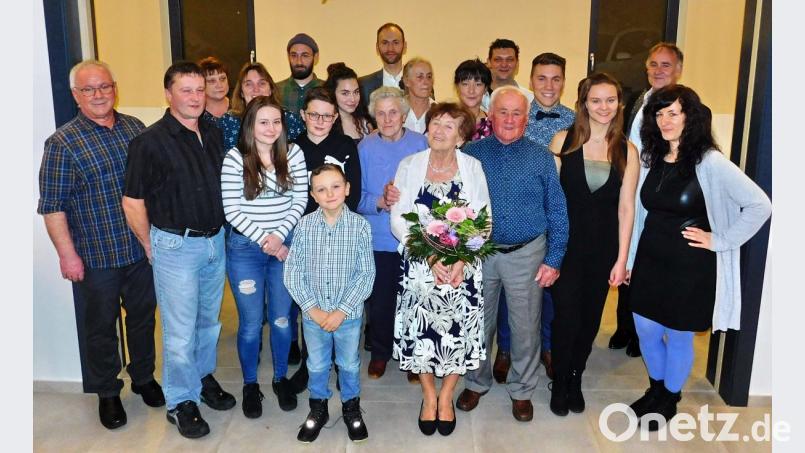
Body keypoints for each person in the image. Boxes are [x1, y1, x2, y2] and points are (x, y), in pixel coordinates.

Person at [625, 85, 771, 430]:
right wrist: (630, 258)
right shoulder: (652, 157)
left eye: (673, 113)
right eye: (659, 114)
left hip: (689, 265)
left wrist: (720, 240)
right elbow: (641, 215)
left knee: (678, 334)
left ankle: (669, 397)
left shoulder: (710, 161)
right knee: (645, 329)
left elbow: (760, 205)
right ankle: (656, 388)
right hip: (650, 256)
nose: (664, 120)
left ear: (690, 116)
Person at [37, 60, 164, 430]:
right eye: (89, 89)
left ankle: (143, 377)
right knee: (101, 327)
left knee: (142, 319)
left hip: (141, 249)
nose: (98, 95)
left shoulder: (135, 129)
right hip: (95, 257)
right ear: (76, 96)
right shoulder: (62, 142)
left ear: (115, 88)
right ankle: (108, 392)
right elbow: (52, 206)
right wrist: (67, 255)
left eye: (104, 86)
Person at [122, 61, 235, 439]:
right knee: (180, 330)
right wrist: (150, 245)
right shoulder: (148, 142)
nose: (195, 97)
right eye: (186, 90)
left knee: (209, 322)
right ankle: (180, 401)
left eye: (200, 90)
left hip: (214, 242)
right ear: (168, 94)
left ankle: (202, 379)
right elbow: (132, 201)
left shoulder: (214, 132)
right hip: (175, 245)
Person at [457, 87, 569, 422]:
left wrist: (554, 258)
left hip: (527, 254)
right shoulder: (471, 153)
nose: (509, 119)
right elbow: (455, 204)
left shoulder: (541, 156)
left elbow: (558, 210)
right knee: (477, 324)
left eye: (516, 113)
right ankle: (476, 382)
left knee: (525, 328)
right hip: (481, 252)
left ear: (526, 117)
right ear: (490, 116)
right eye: (502, 112)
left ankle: (521, 391)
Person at [390, 102, 490, 436]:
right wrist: (431, 258)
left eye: (449, 125)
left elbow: (483, 220)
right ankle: (429, 396)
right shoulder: (409, 165)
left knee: (456, 336)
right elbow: (399, 218)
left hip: (462, 267)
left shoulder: (472, 166)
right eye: (435, 123)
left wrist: (460, 260)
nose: (439, 130)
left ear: (461, 137)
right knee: (422, 337)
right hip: (420, 266)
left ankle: (447, 396)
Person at [547, 73, 639, 416]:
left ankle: (575, 376)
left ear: (619, 104)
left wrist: (622, 259)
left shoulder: (628, 150)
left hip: (603, 252)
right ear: (584, 103)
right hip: (565, 249)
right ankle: (559, 380)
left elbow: (627, 208)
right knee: (566, 319)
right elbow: (551, 201)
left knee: (589, 321)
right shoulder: (562, 141)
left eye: (610, 100)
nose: (604, 107)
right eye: (596, 100)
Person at [220, 96, 309, 418]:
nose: (271, 128)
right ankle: (249, 384)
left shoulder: (294, 153)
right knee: (250, 325)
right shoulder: (235, 159)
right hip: (246, 250)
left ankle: (279, 377)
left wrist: (279, 238)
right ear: (250, 126)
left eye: (276, 122)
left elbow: (300, 201)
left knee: (283, 320)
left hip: (284, 247)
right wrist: (265, 240)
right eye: (263, 122)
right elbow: (231, 210)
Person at [284, 164, 375, 443]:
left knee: (348, 363)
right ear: (313, 194)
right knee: (317, 364)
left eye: (336, 186)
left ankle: (351, 408)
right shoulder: (304, 226)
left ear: (347, 189)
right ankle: (318, 408)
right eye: (321, 189)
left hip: (347, 316)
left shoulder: (360, 226)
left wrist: (341, 311)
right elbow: (293, 271)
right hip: (313, 316)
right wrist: (312, 308)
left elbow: (366, 274)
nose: (329, 193)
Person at [610, 42, 686, 356]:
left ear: (679, 69)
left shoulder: (686, 107)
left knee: (646, 262)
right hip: (633, 186)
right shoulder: (641, 99)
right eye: (653, 64)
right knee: (626, 254)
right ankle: (624, 327)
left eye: (665, 65)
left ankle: (643, 334)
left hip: (657, 193)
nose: (658, 70)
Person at [288, 86, 364, 389]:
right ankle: (312, 363)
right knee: (311, 297)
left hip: (340, 229)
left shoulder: (345, 144)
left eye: (327, 115)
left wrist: (341, 223)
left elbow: (354, 189)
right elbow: (289, 192)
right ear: (304, 116)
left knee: (341, 294)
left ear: (335, 117)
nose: (320, 120)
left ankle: (342, 362)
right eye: (314, 114)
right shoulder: (293, 147)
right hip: (304, 231)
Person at [358, 86, 428, 379]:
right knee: (382, 301)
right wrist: (379, 201)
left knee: (414, 298)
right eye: (381, 113)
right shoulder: (364, 147)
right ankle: (380, 352)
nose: (387, 119)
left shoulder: (421, 143)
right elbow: (355, 197)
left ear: (404, 115)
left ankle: (412, 353)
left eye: (393, 112)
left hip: (416, 237)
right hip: (379, 238)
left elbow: (432, 188)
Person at [519, 52, 577, 381]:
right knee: (520, 291)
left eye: (556, 78)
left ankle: (551, 348)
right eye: (542, 78)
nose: (549, 85)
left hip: (559, 216)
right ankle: (509, 350)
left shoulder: (576, 122)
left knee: (553, 289)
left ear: (564, 82)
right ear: (531, 80)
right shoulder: (516, 117)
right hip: (523, 218)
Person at [211, 62, 305, 151]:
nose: (256, 89)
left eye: (262, 83)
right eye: (249, 84)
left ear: (271, 89)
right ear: (241, 92)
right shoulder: (227, 123)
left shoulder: (290, 120)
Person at [324, 62, 375, 142]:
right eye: (345, 93)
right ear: (332, 93)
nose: (353, 99)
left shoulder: (366, 125)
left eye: (356, 92)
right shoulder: (324, 125)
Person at [359, 23, 407, 103]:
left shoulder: (420, 82)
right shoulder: (364, 85)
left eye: (396, 42)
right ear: (377, 48)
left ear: (404, 46)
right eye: (385, 43)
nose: (390, 48)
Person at [276, 33, 324, 115]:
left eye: (305, 55)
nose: (299, 62)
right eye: (294, 55)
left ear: (315, 57)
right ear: (288, 57)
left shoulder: (327, 89)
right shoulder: (275, 91)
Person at [480, 39, 534, 112]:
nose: (504, 64)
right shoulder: (477, 97)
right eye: (498, 60)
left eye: (510, 60)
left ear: (517, 63)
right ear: (489, 62)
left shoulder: (530, 99)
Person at [454, 58, 494, 140]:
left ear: (486, 88)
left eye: (478, 84)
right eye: (465, 84)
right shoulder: (444, 121)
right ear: (457, 87)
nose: (471, 91)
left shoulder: (493, 125)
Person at [401, 57, 435, 134]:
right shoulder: (396, 111)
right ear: (406, 81)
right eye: (420, 77)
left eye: (429, 77)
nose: (426, 82)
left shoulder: (440, 112)